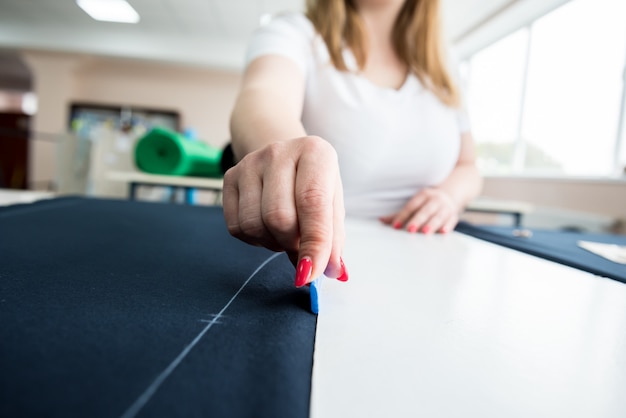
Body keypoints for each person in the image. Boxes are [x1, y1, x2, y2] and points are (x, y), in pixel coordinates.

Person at [223, 0, 483, 289]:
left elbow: (468, 165)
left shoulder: (444, 62)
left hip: (431, 268)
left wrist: (448, 197)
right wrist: (287, 153)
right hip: (327, 261)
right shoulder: (294, 32)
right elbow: (263, 99)